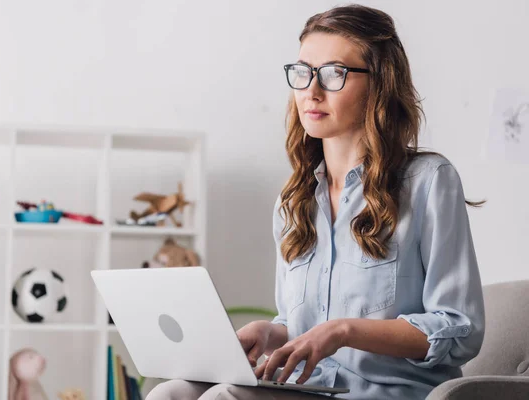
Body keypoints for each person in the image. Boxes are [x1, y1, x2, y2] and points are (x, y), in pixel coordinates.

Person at [146, 4, 485, 399]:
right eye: (304, 71)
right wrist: (271, 333)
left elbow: (460, 327)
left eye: (334, 73)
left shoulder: (428, 181)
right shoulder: (294, 201)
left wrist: (344, 331)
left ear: (381, 83)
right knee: (170, 392)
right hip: (310, 388)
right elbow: (298, 323)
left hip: (387, 392)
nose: (312, 90)